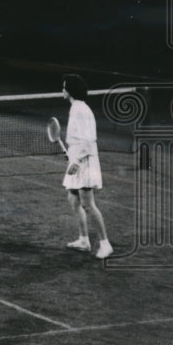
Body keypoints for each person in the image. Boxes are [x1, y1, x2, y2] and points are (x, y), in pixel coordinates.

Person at [61, 74, 113, 259]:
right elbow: (78, 139)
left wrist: (76, 160)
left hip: (85, 162)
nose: (62, 90)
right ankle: (84, 240)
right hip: (78, 158)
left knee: (88, 204)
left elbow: (89, 141)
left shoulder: (80, 110)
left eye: (64, 87)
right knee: (73, 200)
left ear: (70, 90)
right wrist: (71, 153)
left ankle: (105, 244)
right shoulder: (76, 107)